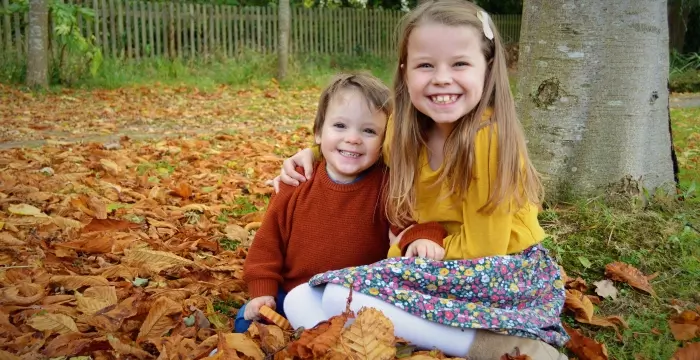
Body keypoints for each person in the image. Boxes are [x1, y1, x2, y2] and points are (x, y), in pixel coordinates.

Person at [276, 1, 569, 358]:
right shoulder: (403, 127)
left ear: (488, 68)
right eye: (425, 65)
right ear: (405, 71)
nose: (442, 78)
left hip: (499, 273)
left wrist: (403, 250)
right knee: (299, 298)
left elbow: (484, 247)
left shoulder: (487, 137)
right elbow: (359, 149)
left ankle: (498, 347)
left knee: (340, 294)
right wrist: (315, 153)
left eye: (460, 63)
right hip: (438, 265)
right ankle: (362, 348)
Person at [238, 72, 446, 334]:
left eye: (369, 130)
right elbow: (267, 246)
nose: (353, 138)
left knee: (367, 333)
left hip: (355, 298)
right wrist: (262, 291)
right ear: (318, 132)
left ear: (384, 143)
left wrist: (423, 237)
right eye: (340, 126)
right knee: (248, 321)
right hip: (291, 291)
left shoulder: (387, 186)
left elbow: (411, 224)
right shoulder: (296, 183)